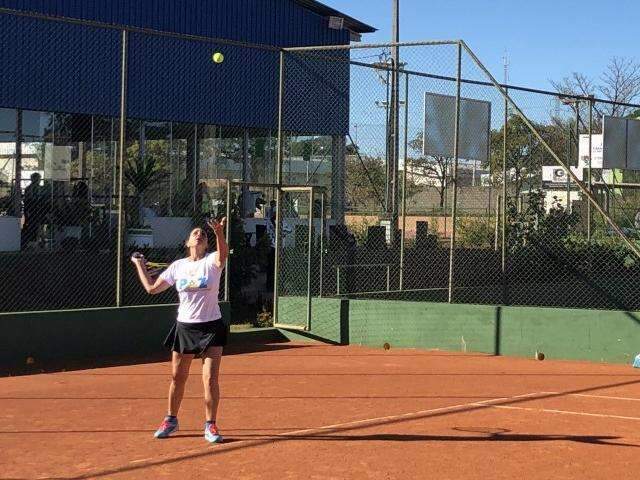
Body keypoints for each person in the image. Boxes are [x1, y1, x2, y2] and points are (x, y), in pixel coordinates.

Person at [131, 217, 229, 443]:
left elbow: (223, 253)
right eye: (195, 233)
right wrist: (139, 264)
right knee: (177, 377)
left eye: (202, 234)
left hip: (211, 326)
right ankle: (171, 420)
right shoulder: (178, 266)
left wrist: (219, 233)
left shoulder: (213, 260)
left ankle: (210, 425)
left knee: (210, 378)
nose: (199, 235)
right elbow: (151, 289)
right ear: (187, 242)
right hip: (185, 326)